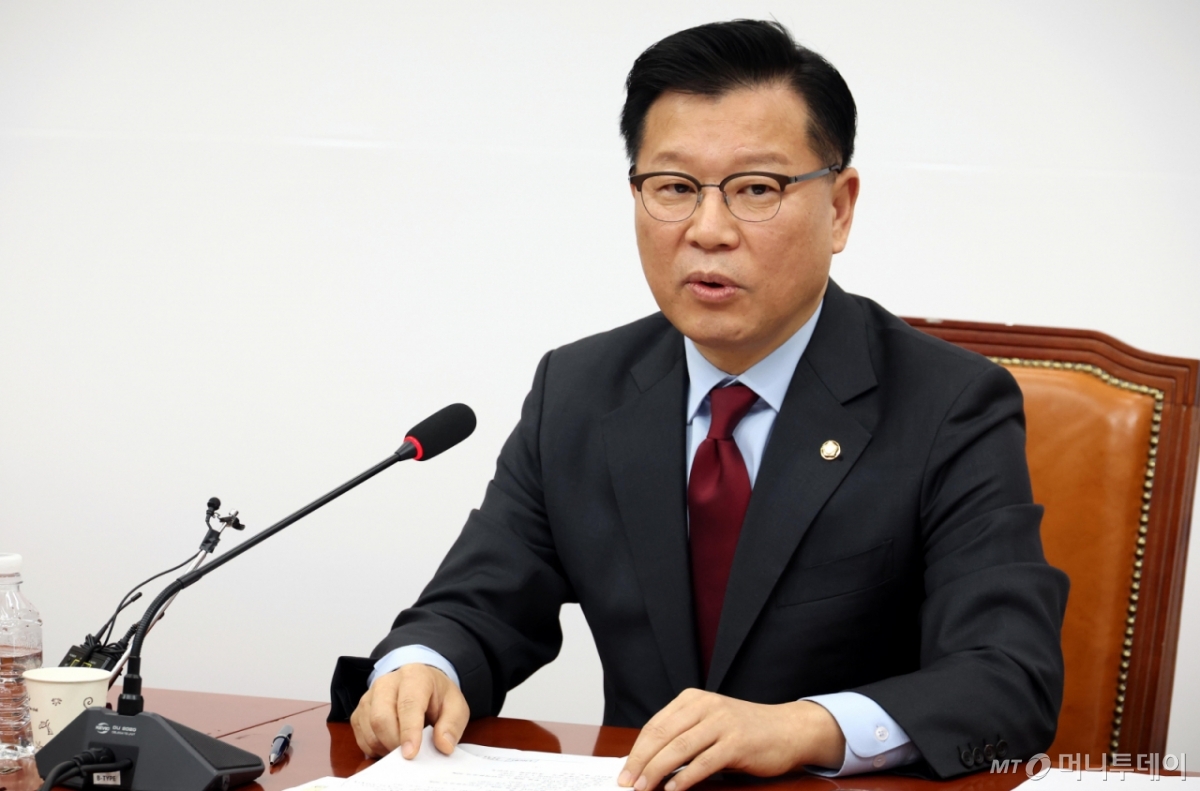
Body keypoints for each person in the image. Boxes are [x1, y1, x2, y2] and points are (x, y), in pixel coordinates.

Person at [332, 19, 1069, 789]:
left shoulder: (950, 405)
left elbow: (1009, 677)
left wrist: (804, 726)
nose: (708, 230)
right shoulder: (578, 391)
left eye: (757, 189)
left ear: (840, 208)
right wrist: (422, 666)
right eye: (675, 188)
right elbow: (477, 605)